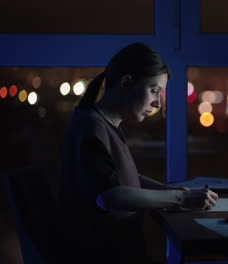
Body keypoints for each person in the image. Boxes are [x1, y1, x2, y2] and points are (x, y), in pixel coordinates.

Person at [58, 42, 218, 263]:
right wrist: (179, 197)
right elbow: (111, 196)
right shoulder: (92, 128)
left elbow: (126, 180)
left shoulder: (100, 124)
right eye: (154, 91)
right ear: (126, 83)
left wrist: (172, 191)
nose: (158, 103)